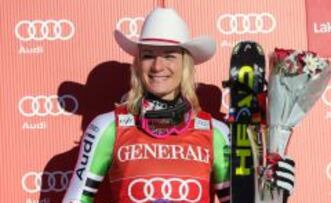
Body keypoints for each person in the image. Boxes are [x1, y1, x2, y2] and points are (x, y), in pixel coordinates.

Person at [63, 7, 295, 203]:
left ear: (186, 64)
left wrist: (272, 193)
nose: (157, 66)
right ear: (137, 64)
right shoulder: (107, 127)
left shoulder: (215, 133)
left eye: (170, 56)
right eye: (148, 55)